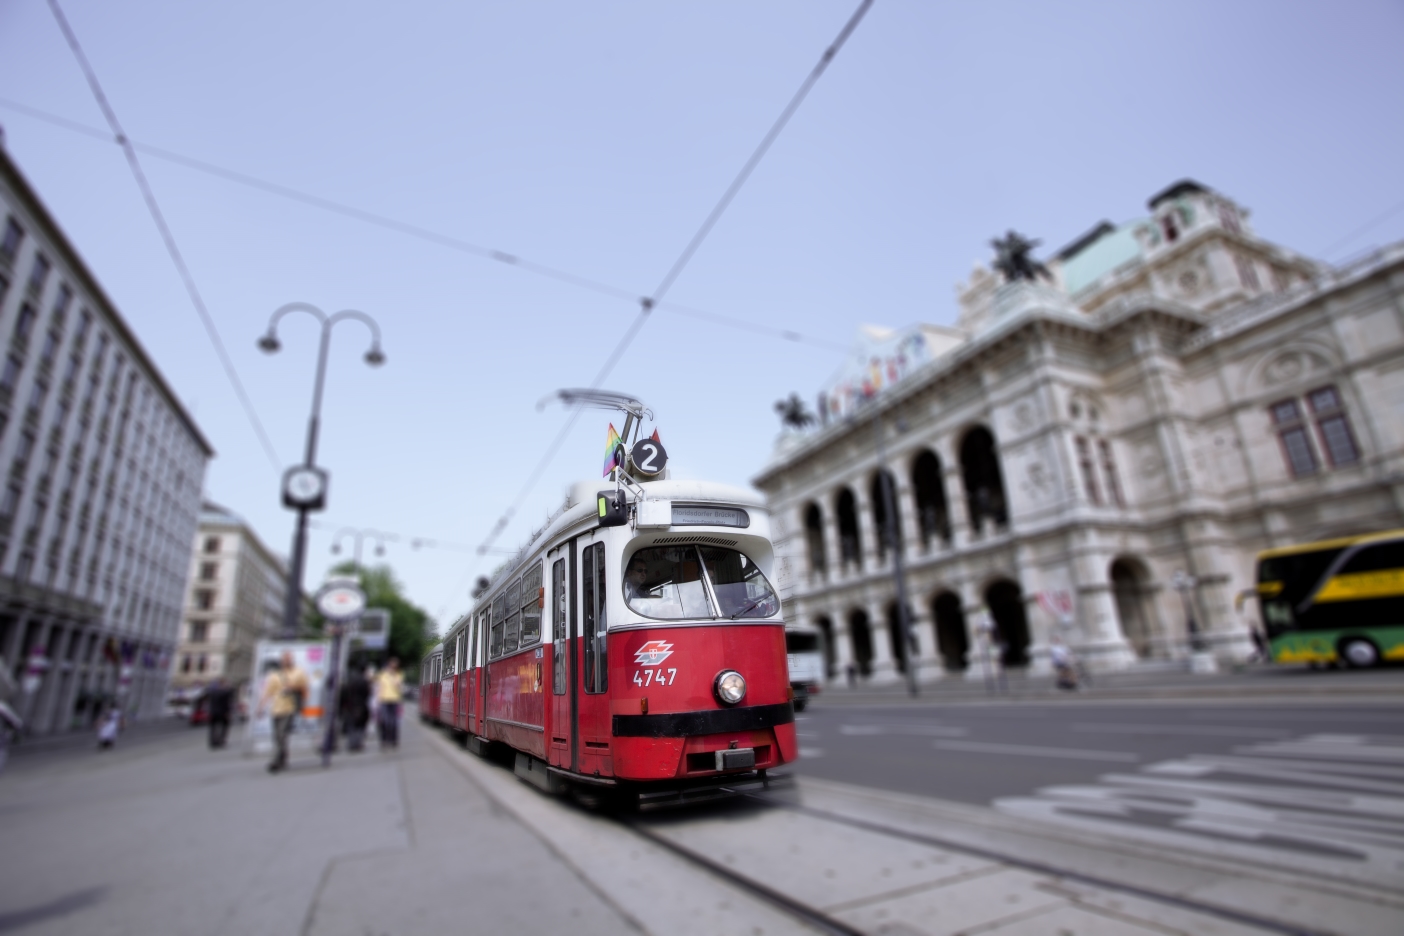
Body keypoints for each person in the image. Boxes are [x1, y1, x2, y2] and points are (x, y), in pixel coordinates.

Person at [258, 652, 308, 773]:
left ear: (292, 660)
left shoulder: (298, 672)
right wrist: (260, 707)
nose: (286, 661)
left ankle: (277, 760)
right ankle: (283, 757)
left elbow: (304, 689)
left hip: (290, 707)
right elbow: (268, 691)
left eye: (288, 659)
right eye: (284, 659)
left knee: (282, 733)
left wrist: (293, 688)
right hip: (276, 708)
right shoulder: (275, 674)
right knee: (277, 735)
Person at [340, 666, 371, 752]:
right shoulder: (364, 681)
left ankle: (352, 743)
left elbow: (343, 694)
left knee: (351, 725)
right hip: (361, 705)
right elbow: (368, 693)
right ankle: (358, 743)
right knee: (360, 725)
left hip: (350, 706)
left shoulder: (348, 682)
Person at [375, 658, 404, 749]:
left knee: (394, 722)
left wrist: (393, 677)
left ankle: (393, 740)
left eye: (395, 666)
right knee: (384, 721)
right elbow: (379, 687)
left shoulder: (398, 675)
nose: (393, 668)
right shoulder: (383, 675)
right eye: (391, 666)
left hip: (394, 700)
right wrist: (378, 700)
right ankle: (384, 740)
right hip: (384, 700)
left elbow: (399, 687)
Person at [204, 678, 233, 749]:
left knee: (213, 728)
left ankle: (213, 742)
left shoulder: (212, 692)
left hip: (212, 712)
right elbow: (227, 704)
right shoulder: (225, 692)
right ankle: (221, 740)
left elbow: (208, 701)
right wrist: (228, 712)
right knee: (224, 727)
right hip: (223, 712)